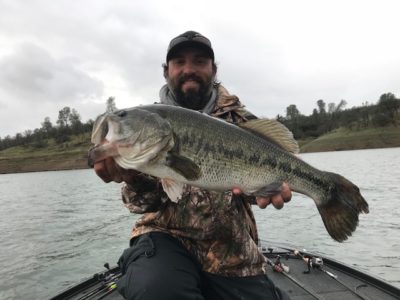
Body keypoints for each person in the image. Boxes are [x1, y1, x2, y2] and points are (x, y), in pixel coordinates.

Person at [94, 31, 292, 300]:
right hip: (164, 239)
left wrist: (265, 192)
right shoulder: (148, 125)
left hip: (232, 248)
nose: (189, 69)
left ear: (213, 69)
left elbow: (251, 191)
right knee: (156, 289)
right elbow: (141, 205)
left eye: (199, 61)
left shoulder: (243, 121)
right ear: (167, 71)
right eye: (179, 62)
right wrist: (132, 177)